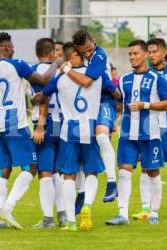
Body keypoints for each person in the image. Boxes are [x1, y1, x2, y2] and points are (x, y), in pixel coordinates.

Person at [33, 42, 119, 231]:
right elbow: (116, 93)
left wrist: (34, 98)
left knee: (69, 176)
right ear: (80, 55)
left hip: (68, 131)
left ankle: (71, 220)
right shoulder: (97, 75)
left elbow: (41, 97)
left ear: (67, 58)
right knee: (91, 172)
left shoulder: (60, 79)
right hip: (90, 128)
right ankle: (87, 205)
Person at [0, 32, 60, 230]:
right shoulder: (16, 64)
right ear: (6, 47)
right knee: (31, 166)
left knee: (3, 169)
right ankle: (7, 208)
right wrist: (57, 64)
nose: (14, 49)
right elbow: (42, 80)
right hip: (15, 121)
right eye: (12, 46)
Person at [105, 40, 167, 226]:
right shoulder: (125, 79)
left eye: (135, 53)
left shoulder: (158, 78)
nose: (132, 57)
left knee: (153, 172)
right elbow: (120, 105)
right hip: (127, 134)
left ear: (144, 55)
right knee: (125, 172)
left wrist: (146, 105)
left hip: (150, 134)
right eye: (130, 54)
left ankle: (154, 212)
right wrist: (110, 120)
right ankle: (122, 215)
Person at [132, 38, 167, 221]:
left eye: (154, 51)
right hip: (147, 126)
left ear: (163, 52)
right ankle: (145, 208)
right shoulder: (143, 75)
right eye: (148, 51)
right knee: (146, 167)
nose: (151, 55)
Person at [61, 30, 118, 206]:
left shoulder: (100, 55)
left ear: (93, 41)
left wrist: (66, 68)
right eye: (83, 51)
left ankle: (111, 182)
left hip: (104, 102)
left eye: (89, 49)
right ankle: (82, 192)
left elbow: (87, 82)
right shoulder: (80, 56)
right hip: (86, 107)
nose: (87, 54)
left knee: (101, 136)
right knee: (80, 149)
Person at [28, 38, 66, 229]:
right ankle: (63, 214)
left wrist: (40, 125)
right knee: (56, 172)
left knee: (44, 172)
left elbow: (43, 98)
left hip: (46, 122)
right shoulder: (61, 69)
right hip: (60, 122)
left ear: (37, 53)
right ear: (52, 53)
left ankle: (47, 219)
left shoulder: (37, 71)